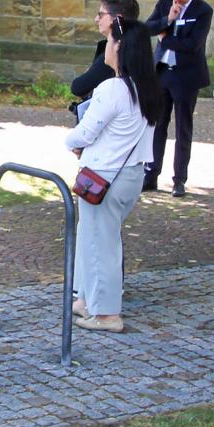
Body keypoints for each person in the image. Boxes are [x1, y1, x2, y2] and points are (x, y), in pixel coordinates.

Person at [64, 19, 166, 333]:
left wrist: (71, 141)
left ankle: (107, 313)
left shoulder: (112, 88)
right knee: (95, 238)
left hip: (105, 176)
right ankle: (88, 299)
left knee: (101, 245)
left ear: (120, 47)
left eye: (109, 41)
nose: (105, 47)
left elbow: (85, 132)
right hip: (129, 174)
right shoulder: (147, 89)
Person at [142, 0, 213, 196]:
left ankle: (179, 179)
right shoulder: (165, 2)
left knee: (183, 128)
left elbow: (193, 44)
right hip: (162, 72)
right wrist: (168, 19)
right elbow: (148, 28)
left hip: (186, 75)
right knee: (157, 125)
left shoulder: (203, 10)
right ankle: (151, 174)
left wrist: (166, 39)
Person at [69, 0, 140, 112]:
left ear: (117, 19)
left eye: (101, 15)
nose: (96, 19)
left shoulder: (117, 51)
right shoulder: (135, 45)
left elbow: (78, 87)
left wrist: (89, 72)